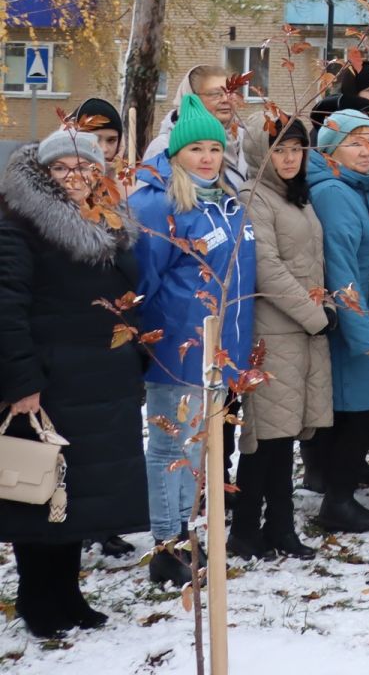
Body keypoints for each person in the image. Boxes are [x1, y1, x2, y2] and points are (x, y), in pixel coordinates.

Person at [0, 127, 144, 636]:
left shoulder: (110, 220)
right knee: (39, 495)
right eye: (61, 168)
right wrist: (20, 382)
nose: (74, 177)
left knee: (73, 496)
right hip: (49, 382)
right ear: (44, 172)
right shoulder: (19, 225)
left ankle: (69, 594)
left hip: (99, 380)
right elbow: (6, 307)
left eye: (84, 167)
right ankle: (37, 603)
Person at [128, 93, 255, 585]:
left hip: (221, 352)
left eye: (215, 149)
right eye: (196, 149)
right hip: (179, 350)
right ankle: (167, 545)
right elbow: (143, 284)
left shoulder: (224, 202)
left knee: (199, 449)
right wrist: (155, 341)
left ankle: (185, 533)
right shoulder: (159, 206)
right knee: (170, 447)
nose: (207, 157)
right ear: (176, 152)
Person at [232, 118, 332, 560]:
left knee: (283, 436)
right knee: (264, 438)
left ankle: (277, 527)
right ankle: (247, 530)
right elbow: (266, 267)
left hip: (300, 330)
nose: (290, 158)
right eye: (279, 150)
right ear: (260, 153)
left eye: (296, 149)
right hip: (273, 332)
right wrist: (315, 315)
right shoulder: (254, 199)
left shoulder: (295, 196)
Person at [307, 108, 369, 534]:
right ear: (330, 150)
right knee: (363, 411)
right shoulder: (335, 193)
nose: (366, 150)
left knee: (360, 410)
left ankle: (340, 487)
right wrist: (360, 329)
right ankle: (337, 502)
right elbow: (340, 266)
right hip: (356, 322)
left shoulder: (362, 188)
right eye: (355, 143)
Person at [143, 65, 252, 188]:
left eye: (231, 92)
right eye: (215, 94)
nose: (226, 99)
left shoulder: (246, 140)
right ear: (191, 97)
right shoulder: (164, 147)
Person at [69, 97, 124, 164]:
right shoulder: (56, 173)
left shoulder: (132, 173)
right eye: (95, 140)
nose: (104, 149)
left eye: (111, 140)